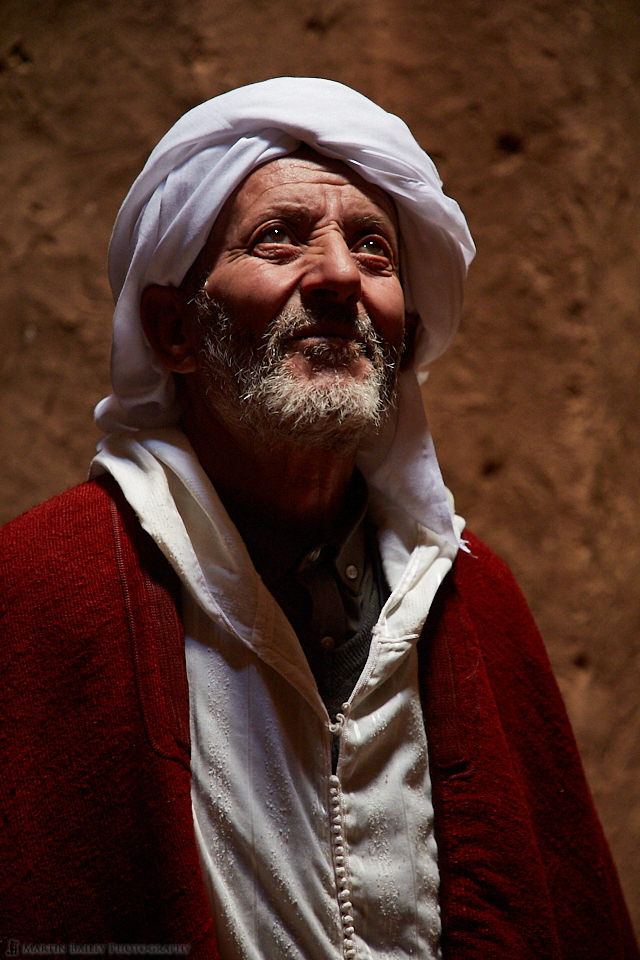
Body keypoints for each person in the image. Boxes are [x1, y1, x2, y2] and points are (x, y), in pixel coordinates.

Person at [0, 78, 636, 959]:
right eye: (279, 238)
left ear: (404, 339)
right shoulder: (37, 588)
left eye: (374, 251)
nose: (339, 274)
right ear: (174, 329)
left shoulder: (475, 603)